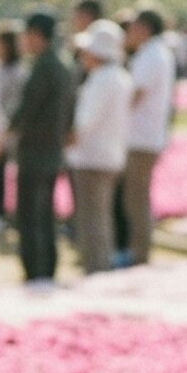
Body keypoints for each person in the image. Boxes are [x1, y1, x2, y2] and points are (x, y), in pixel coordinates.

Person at [9, 8, 74, 284]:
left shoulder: (43, 66)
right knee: (45, 214)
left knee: (31, 216)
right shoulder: (62, 65)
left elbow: (26, 109)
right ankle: (46, 269)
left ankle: (36, 271)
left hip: (35, 152)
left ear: (36, 34)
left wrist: (7, 132)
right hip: (52, 151)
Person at [67, 19, 132, 274]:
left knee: (91, 220)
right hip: (111, 156)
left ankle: (96, 269)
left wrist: (68, 140)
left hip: (92, 158)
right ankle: (102, 266)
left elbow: (84, 123)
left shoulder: (101, 79)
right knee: (102, 217)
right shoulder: (121, 76)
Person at [121, 4, 174, 265]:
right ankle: (138, 251)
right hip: (146, 136)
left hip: (141, 138)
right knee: (136, 197)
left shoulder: (151, 55)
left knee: (136, 199)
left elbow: (135, 95)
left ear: (144, 28)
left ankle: (139, 254)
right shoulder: (156, 53)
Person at [0, 23, 23, 219]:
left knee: (3, 169)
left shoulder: (18, 72)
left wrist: (5, 129)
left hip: (8, 129)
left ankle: (1, 211)